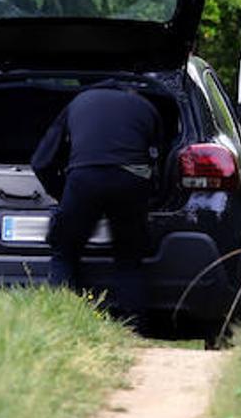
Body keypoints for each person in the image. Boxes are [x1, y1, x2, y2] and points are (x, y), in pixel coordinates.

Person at [30, 81, 162, 328]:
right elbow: (159, 159)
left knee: (64, 252)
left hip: (84, 180)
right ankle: (133, 329)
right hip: (131, 181)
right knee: (128, 258)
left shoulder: (77, 103)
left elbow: (41, 161)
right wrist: (151, 198)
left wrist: (63, 196)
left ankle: (60, 323)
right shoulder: (146, 106)